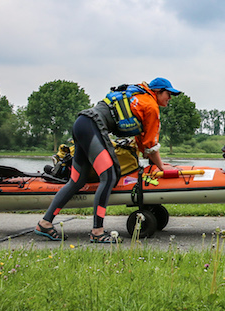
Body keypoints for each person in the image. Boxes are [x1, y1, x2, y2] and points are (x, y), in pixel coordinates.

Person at [35, 77, 182, 243]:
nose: (170, 98)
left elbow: (143, 143)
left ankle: (45, 222)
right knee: (109, 176)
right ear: (157, 92)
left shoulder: (140, 98)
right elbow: (150, 145)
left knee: (76, 180)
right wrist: (162, 167)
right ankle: (97, 232)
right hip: (93, 127)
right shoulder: (151, 106)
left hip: (81, 123)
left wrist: (153, 161)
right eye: (168, 94)